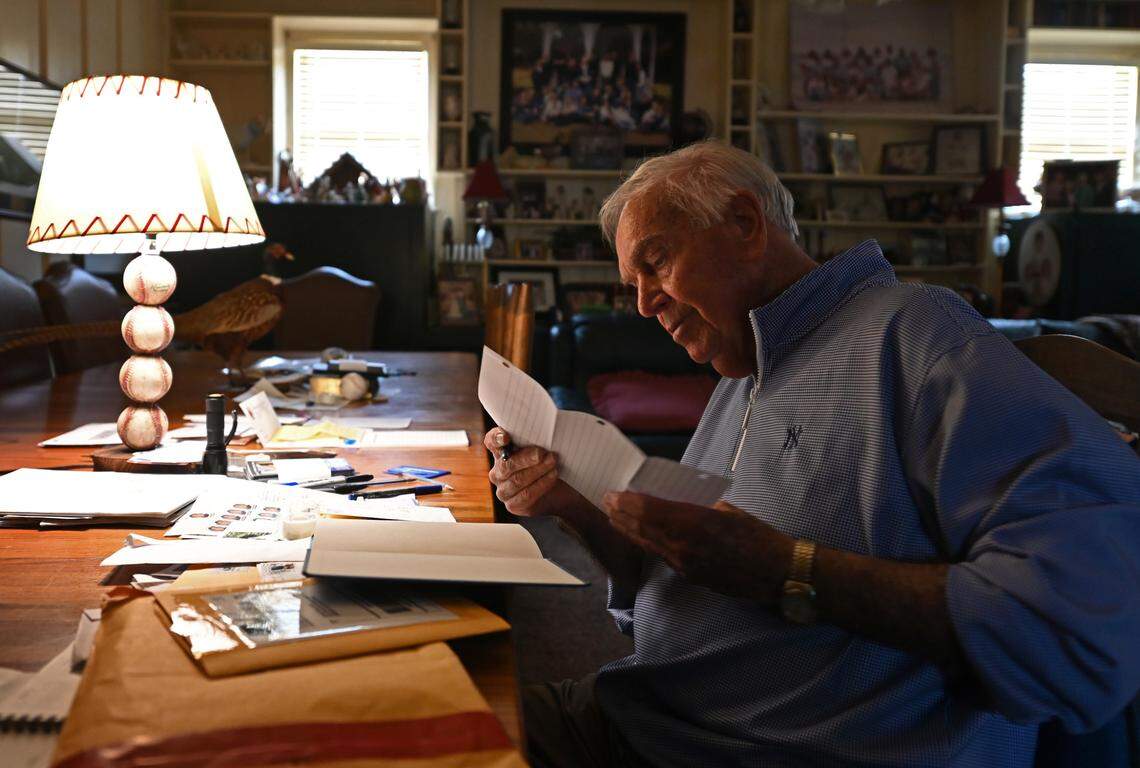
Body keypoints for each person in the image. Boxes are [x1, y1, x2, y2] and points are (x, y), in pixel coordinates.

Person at [484, 140, 1140, 767]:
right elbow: (674, 594)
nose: (644, 304)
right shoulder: (742, 377)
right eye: (632, 284)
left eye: (655, 263)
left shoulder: (920, 336)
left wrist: (789, 572)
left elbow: (1079, 632)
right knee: (407, 713)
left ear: (744, 223)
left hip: (757, 753)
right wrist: (578, 509)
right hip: (649, 718)